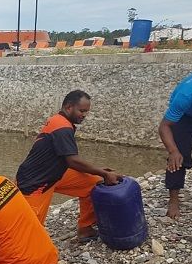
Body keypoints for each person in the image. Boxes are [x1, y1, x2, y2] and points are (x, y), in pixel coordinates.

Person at [16, 90, 121, 242]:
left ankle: (85, 229)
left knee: (93, 182)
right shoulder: (62, 127)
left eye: (86, 112)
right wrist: (103, 173)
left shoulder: (61, 122)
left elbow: (68, 160)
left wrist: (98, 172)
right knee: (29, 230)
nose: (84, 115)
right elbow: (73, 160)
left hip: (55, 174)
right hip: (35, 183)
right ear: (68, 107)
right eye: (82, 111)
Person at [158, 70, 192, 219]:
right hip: (186, 117)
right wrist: (173, 151)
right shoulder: (186, 97)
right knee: (179, 157)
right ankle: (173, 200)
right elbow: (164, 126)